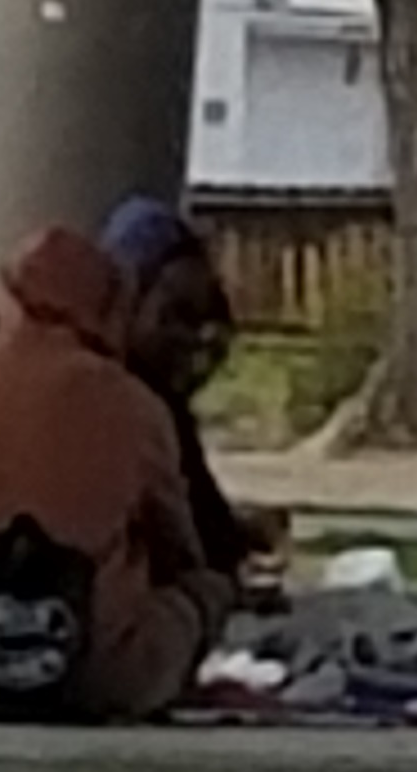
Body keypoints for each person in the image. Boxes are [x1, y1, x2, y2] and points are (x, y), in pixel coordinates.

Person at [0, 227, 239, 721]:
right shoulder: (133, 405)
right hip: (82, 673)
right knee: (206, 589)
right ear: (113, 308)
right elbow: (181, 553)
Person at [97, 196, 289, 577]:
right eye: (176, 315)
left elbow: (202, 523)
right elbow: (185, 557)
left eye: (203, 319)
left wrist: (240, 531)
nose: (192, 338)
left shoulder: (162, 402)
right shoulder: (115, 403)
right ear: (124, 300)